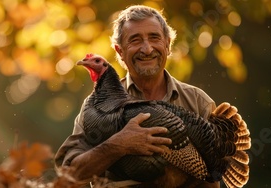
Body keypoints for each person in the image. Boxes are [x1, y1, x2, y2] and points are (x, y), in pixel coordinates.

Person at [55, 5, 218, 187]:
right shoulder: (96, 107)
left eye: (154, 38)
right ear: (120, 52)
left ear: (168, 45)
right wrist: (119, 144)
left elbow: (211, 178)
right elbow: (70, 175)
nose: (147, 49)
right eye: (135, 40)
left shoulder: (197, 101)